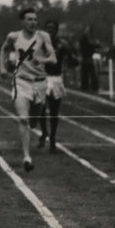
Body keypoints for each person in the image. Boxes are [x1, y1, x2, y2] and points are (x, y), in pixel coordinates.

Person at [0, 8, 57, 172]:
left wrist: (43, 59)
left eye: (35, 19)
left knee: (33, 121)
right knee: (23, 119)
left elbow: (53, 58)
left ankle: (33, 119)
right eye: (29, 19)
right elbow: (3, 49)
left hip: (40, 83)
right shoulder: (14, 36)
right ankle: (27, 157)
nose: (33, 22)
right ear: (22, 21)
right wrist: (2, 67)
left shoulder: (43, 36)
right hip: (21, 82)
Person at [37, 20, 76, 154]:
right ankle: (44, 132)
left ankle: (52, 138)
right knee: (40, 109)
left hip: (56, 79)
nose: (50, 30)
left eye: (52, 28)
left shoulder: (62, 44)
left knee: (54, 111)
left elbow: (72, 58)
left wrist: (71, 58)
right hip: (43, 78)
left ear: (56, 30)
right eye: (48, 28)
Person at [79, 27, 99, 92]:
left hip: (85, 59)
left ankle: (85, 86)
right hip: (88, 59)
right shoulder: (87, 42)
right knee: (92, 74)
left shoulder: (83, 40)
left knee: (85, 74)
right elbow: (92, 47)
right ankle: (93, 87)